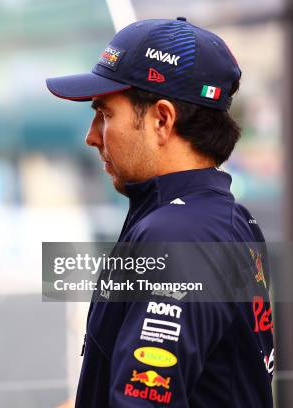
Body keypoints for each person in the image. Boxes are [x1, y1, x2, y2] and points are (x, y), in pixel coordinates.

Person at [46, 18, 274, 407]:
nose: (92, 135)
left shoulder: (178, 234)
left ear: (162, 120)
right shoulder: (222, 218)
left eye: (105, 113)